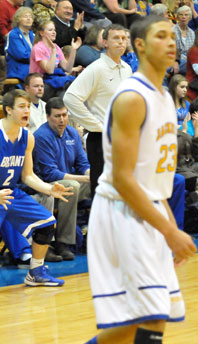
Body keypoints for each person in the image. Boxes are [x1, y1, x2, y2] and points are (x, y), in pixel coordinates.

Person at [83, 16, 197, 344]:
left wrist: (171, 226)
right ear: (140, 45)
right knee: (150, 313)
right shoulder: (132, 97)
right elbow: (122, 178)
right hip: (121, 211)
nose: (171, 42)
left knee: (154, 318)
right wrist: (169, 230)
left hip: (148, 211)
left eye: (171, 36)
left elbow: (155, 178)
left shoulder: (164, 97)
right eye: (160, 36)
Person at [0, 89, 73, 304]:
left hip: (10, 191)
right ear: (8, 110)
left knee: (47, 223)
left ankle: (36, 272)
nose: (26, 110)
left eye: (28, 107)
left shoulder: (27, 137)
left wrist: (48, 188)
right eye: (21, 106)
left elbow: (27, 176)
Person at [63, 24, 131, 196]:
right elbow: (70, 98)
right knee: (103, 194)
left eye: (124, 38)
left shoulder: (127, 69)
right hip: (101, 139)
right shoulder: (96, 68)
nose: (121, 42)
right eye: (116, 38)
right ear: (105, 42)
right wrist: (98, 126)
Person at [33, 97, 91, 261]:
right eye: (57, 116)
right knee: (72, 186)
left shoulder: (72, 132)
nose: (62, 120)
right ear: (47, 117)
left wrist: (89, 174)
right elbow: (51, 174)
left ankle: (95, 236)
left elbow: (82, 162)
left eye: (64, 115)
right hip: (47, 185)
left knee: (101, 181)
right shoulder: (41, 136)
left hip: (70, 182)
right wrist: (84, 179)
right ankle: (62, 243)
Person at [29, 20, 82, 101]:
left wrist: (73, 50)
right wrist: (53, 51)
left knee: (67, 91)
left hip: (53, 81)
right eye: (50, 30)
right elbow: (49, 70)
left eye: (54, 30)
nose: (54, 32)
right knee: (63, 92)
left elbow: (67, 68)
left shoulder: (56, 47)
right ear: (42, 33)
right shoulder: (38, 48)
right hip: (41, 83)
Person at [5, 6, 34, 82]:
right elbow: (21, 55)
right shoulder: (13, 34)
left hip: (32, 67)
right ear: (18, 19)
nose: (28, 19)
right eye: (25, 16)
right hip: (18, 69)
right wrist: (39, 57)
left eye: (30, 17)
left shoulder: (32, 34)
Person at [174, 5, 194, 75]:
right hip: (176, 60)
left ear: (190, 17)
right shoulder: (172, 31)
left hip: (189, 60)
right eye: (181, 15)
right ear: (177, 17)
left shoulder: (192, 32)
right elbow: (173, 51)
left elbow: (192, 50)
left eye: (186, 15)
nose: (183, 17)